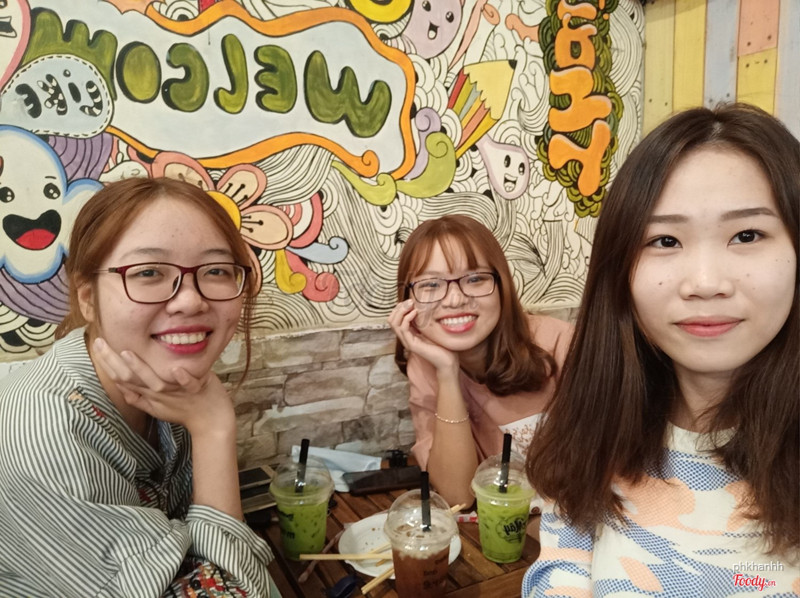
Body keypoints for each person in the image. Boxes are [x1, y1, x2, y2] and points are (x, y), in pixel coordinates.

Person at [523, 103, 799, 596]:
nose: (705, 283)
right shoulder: (595, 430)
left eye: (747, 234)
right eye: (666, 240)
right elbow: (559, 572)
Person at [0, 177, 280, 597]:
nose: (190, 300)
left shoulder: (163, 379)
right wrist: (213, 428)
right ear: (88, 297)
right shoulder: (43, 430)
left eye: (216, 270)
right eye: (148, 272)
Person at [389, 215, 572, 507]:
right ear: (408, 300)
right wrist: (447, 372)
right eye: (431, 284)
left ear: (502, 284)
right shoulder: (425, 366)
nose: (454, 300)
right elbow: (458, 496)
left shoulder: (561, 343)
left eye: (475, 279)